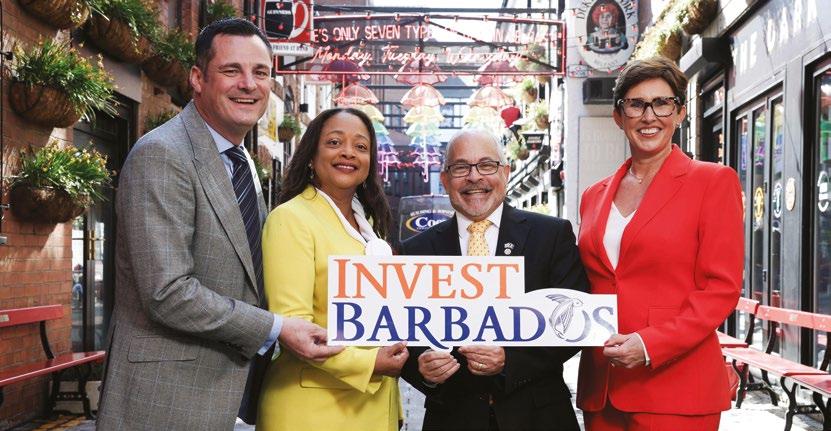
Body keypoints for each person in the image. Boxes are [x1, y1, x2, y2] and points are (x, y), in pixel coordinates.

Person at [97, 19, 342, 430]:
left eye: (260, 72)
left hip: (227, 395)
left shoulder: (239, 159)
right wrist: (277, 328)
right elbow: (168, 293)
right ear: (198, 78)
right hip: (165, 402)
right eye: (232, 70)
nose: (248, 84)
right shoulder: (163, 154)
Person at [576, 57, 743, 430]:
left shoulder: (713, 182)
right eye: (636, 104)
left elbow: (720, 289)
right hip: (602, 385)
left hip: (676, 387)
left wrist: (651, 345)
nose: (648, 116)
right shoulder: (593, 195)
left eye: (662, 103)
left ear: (680, 112)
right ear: (619, 116)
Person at [400, 129, 590, 431]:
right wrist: (420, 366)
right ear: (445, 179)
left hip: (539, 416)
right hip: (452, 418)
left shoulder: (551, 235)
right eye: (461, 167)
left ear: (506, 172)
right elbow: (398, 331)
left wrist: (510, 361)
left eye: (486, 165)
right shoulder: (416, 251)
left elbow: (574, 321)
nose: (474, 177)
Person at [257, 107, 409, 431]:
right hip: (313, 413)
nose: (348, 153)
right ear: (311, 156)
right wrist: (371, 362)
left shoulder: (368, 225)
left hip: (373, 409)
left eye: (360, 146)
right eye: (335, 142)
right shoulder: (291, 219)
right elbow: (296, 328)